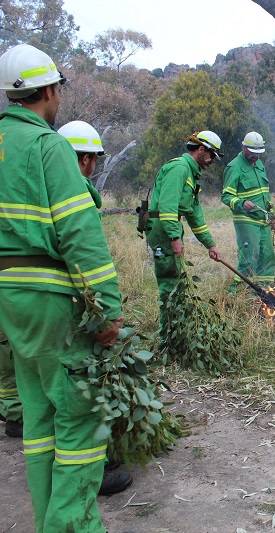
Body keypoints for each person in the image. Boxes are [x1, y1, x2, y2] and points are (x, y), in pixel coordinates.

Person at [0, 43, 123, 532]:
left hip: (11, 301)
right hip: (50, 298)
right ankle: (72, 526)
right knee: (80, 413)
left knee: (40, 418)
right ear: (48, 90)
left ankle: (48, 518)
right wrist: (108, 309)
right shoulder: (48, 147)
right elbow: (80, 234)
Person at [56, 119, 134, 495]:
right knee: (82, 386)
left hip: (26, 301)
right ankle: (95, 470)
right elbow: (90, 259)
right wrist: (108, 315)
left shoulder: (32, 181)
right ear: (85, 161)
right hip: (66, 303)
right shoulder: (73, 191)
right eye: (92, 160)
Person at [145, 131, 223, 336]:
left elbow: (195, 215)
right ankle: (167, 338)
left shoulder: (192, 174)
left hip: (169, 229)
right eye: (212, 155)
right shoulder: (179, 169)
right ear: (201, 149)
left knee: (176, 280)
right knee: (170, 282)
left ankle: (176, 329)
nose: (213, 160)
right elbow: (167, 207)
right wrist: (174, 237)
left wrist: (210, 245)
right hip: (162, 230)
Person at [221, 131, 275, 292]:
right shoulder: (234, 167)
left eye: (258, 153)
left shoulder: (259, 164)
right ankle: (236, 293)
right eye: (252, 152)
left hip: (263, 220)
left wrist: (270, 209)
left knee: (267, 256)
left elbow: (264, 191)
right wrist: (241, 203)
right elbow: (226, 196)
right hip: (246, 220)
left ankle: (265, 293)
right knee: (250, 257)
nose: (255, 156)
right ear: (243, 147)